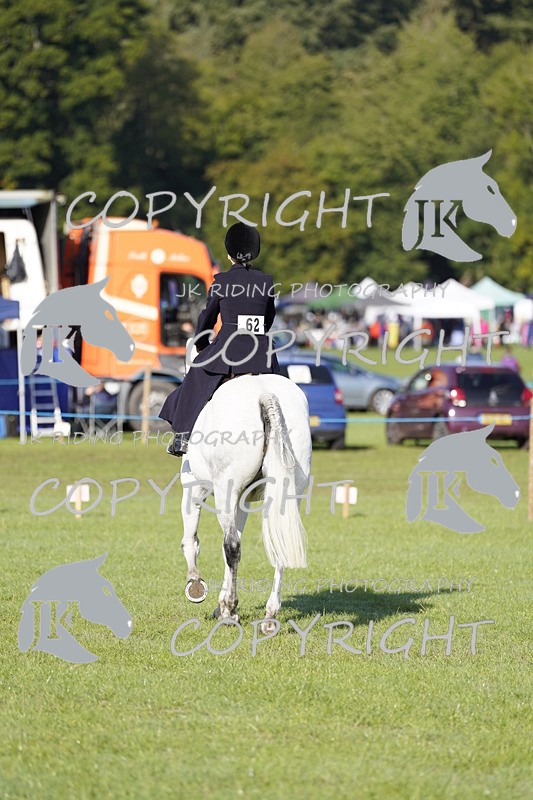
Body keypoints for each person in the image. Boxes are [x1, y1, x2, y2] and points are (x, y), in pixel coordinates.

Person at [159, 222, 280, 456]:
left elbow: (206, 319)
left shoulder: (222, 281)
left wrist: (202, 345)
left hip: (228, 351)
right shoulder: (266, 282)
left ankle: (182, 437)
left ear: (228, 253)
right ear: (255, 251)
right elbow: (268, 319)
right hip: (262, 353)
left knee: (195, 377)